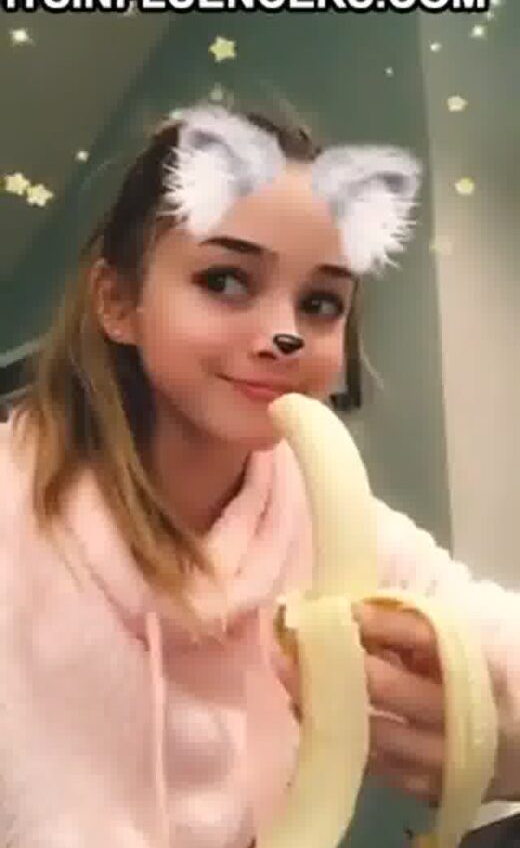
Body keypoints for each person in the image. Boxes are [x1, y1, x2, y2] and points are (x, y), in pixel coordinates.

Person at [0, 102, 519, 848]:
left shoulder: (324, 518)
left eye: (320, 304)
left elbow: (498, 634)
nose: (283, 334)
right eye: (225, 281)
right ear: (117, 302)